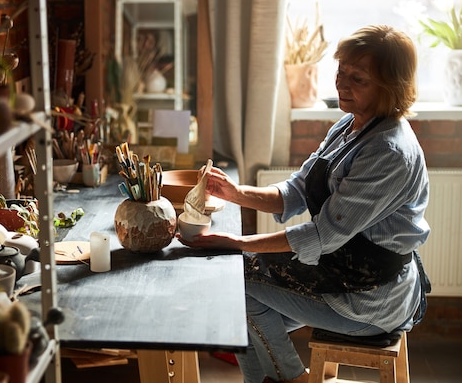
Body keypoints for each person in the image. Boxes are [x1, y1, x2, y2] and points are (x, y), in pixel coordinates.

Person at [178, 25, 430, 383]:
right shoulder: (350, 126)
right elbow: (297, 189)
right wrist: (234, 192)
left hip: (370, 297)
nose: (342, 84)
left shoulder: (388, 152)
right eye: (341, 72)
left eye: (357, 79)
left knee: (235, 289)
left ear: (390, 88)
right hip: (341, 272)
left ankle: (294, 380)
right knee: (240, 309)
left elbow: (322, 235)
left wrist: (237, 243)